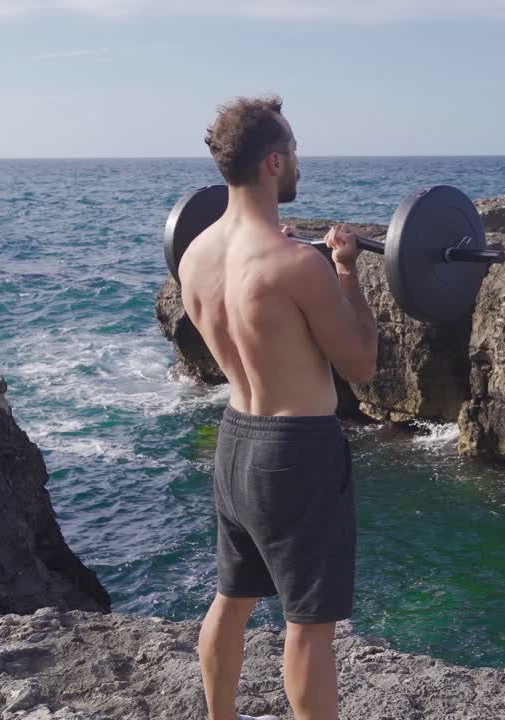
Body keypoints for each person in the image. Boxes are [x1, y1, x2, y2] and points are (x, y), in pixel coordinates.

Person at [178, 94, 378, 720]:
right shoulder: (299, 265)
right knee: (310, 626)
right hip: (298, 452)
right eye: (292, 150)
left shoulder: (195, 256)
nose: (298, 162)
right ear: (272, 162)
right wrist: (344, 269)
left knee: (232, 598)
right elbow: (362, 364)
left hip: (235, 440)